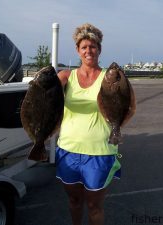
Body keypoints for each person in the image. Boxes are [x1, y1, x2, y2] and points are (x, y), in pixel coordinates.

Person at [56, 23, 131, 225]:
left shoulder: (111, 78)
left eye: (93, 46)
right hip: (68, 150)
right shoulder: (66, 77)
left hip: (101, 150)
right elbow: (46, 94)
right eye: (84, 47)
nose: (89, 51)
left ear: (99, 49)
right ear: (77, 50)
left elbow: (126, 101)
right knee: (74, 200)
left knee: (94, 206)